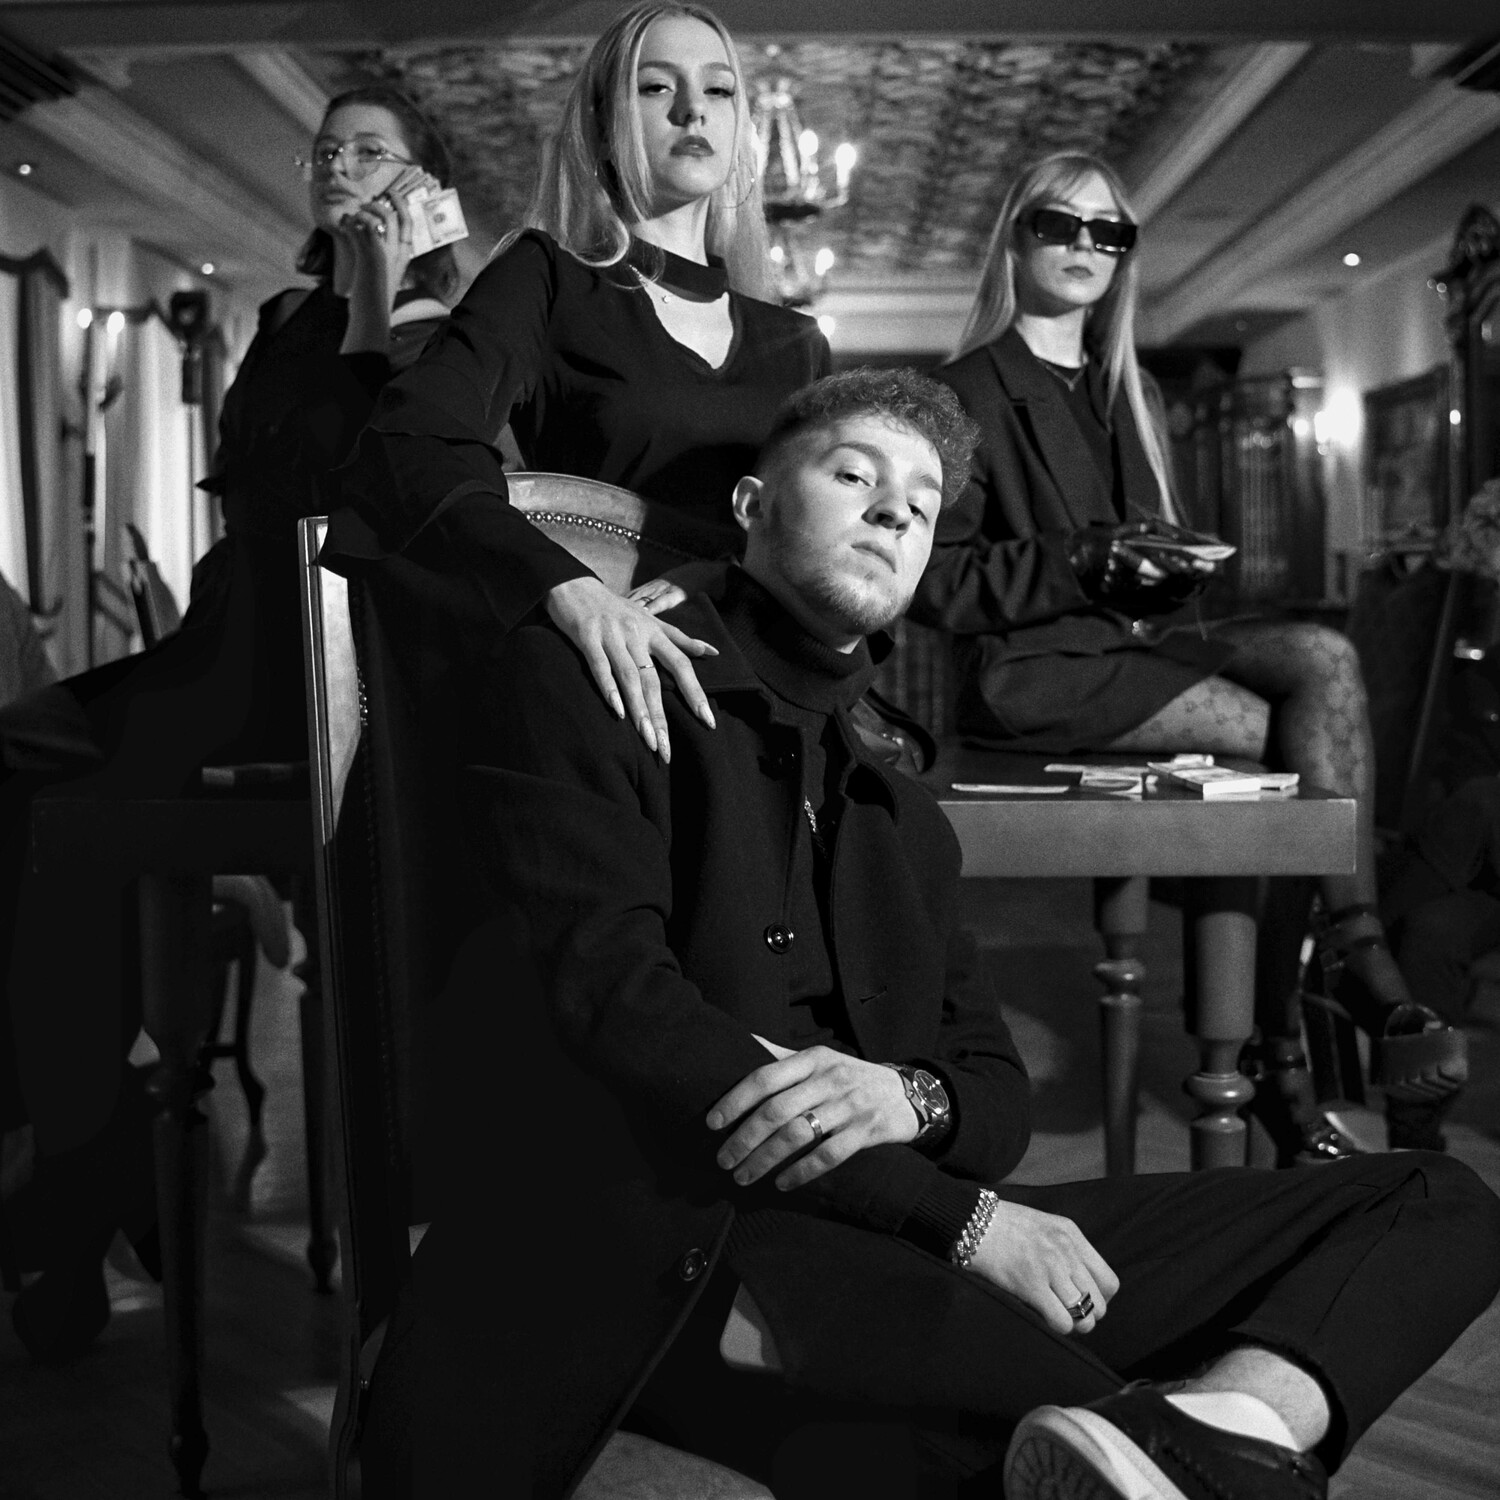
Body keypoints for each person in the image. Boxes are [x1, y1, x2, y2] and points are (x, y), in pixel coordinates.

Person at [362, 369, 1500, 1499]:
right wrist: (963, 1221)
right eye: (854, 476)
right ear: (754, 506)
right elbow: (622, 1012)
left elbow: (993, 1092)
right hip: (691, 1251)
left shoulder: (904, 807)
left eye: (920, 501)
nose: (895, 512)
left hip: (895, 1241)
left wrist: (908, 1100)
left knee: (1433, 1204)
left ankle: (1215, 1427)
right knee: (1089, 1428)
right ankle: (1180, 1447)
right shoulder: (598, 678)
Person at [0, 83, 455, 1360]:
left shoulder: (446, 328)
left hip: (322, 659)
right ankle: (85, 1148)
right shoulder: (282, 314)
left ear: (421, 183)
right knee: (22, 777)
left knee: (69, 821)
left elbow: (376, 478)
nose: (339, 162)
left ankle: (78, 1180)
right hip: (223, 632)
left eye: (372, 150)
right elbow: (251, 472)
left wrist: (380, 286)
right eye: (329, 147)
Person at [906, 151, 1465, 1161]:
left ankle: (1307, 1024)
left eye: (1109, 233)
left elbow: (1145, 563)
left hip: (1139, 652)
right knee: (1291, 736)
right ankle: (1313, 1016)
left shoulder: (1135, 392)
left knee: (1320, 660)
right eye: (1059, 224)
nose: (1086, 246)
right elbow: (935, 584)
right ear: (1014, 240)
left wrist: (1170, 567)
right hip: (1035, 678)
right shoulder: (963, 392)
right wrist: (1080, 560)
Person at [325, 1, 830, 763]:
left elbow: (820, 540)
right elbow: (412, 443)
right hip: (603, 686)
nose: (693, 109)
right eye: (656, 87)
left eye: (719, 89)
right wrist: (564, 585)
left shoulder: (796, 341)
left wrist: (728, 573)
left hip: (763, 684)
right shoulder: (544, 278)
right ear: (600, 127)